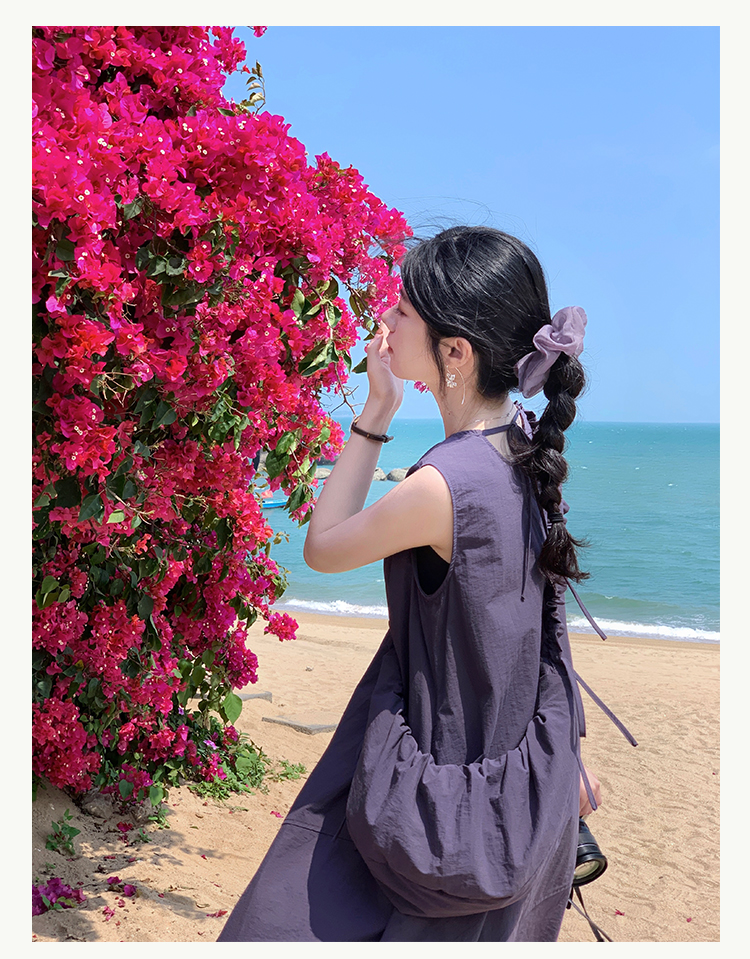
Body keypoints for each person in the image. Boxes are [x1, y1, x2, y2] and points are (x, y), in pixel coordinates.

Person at [219, 226, 605, 943]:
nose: (386, 321)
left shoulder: (442, 484)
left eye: (401, 311)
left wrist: (376, 412)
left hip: (438, 775)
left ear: (455, 353)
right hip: (518, 777)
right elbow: (530, 629)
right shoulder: (523, 451)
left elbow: (323, 547)